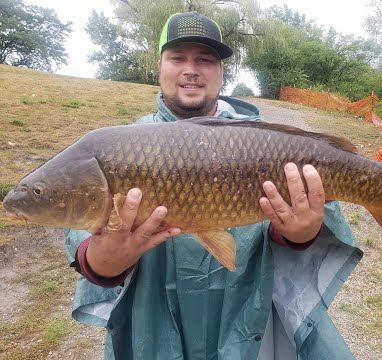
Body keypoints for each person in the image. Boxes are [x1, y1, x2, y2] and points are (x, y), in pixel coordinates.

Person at [65, 11, 363, 359]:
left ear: (221, 73)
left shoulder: (268, 141)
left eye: (205, 59)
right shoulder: (119, 147)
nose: (190, 68)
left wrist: (301, 233)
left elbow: (314, 226)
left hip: (250, 315)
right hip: (152, 322)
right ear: (159, 66)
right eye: (178, 58)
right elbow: (85, 245)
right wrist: (104, 262)